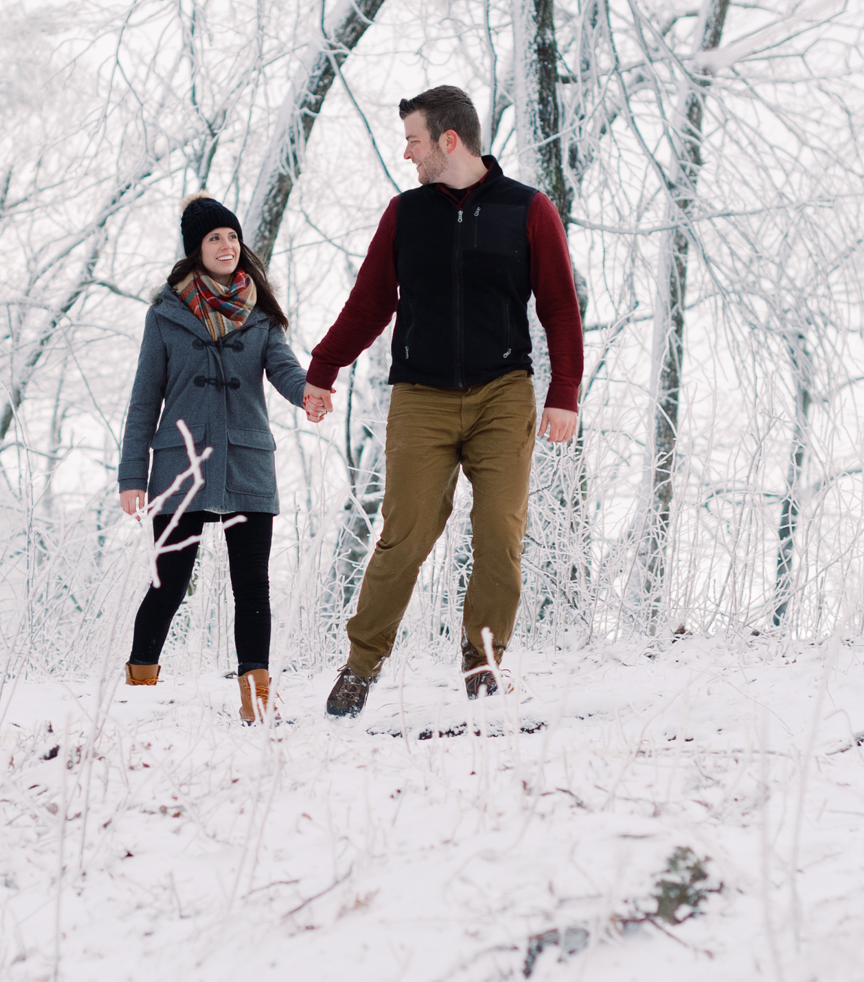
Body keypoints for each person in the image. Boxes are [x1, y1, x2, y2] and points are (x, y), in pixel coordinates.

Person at [301, 85, 583, 716]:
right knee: (404, 534)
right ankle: (360, 668)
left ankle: (482, 670)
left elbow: (560, 305)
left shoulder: (528, 210)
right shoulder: (407, 215)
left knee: (499, 536)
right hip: (420, 399)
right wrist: (323, 366)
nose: (407, 153)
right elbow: (372, 302)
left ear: (448, 140)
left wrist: (564, 392)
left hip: (503, 395)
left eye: (413, 140)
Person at [119, 195, 318, 723]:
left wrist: (309, 394)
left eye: (231, 236)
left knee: (252, 583)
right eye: (215, 238)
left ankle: (256, 699)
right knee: (170, 582)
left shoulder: (261, 314)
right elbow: (144, 400)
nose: (227, 246)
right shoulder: (165, 315)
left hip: (247, 461)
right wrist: (131, 477)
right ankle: (137, 688)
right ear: (196, 250)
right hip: (179, 466)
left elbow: (284, 370)